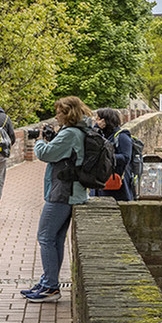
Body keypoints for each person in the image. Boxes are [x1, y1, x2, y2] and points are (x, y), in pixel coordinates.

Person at [22, 95, 96, 303]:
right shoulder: (77, 131)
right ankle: (48, 281)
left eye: (59, 112)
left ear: (68, 114)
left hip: (64, 192)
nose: (56, 115)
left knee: (45, 236)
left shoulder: (71, 133)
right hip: (71, 191)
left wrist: (38, 142)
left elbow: (47, 154)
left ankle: (51, 287)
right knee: (55, 239)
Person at [95, 107, 135, 201]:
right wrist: (96, 129)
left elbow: (125, 157)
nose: (96, 122)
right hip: (102, 181)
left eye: (97, 119)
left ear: (104, 121)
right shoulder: (102, 135)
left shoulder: (122, 136)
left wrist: (105, 158)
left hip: (117, 184)